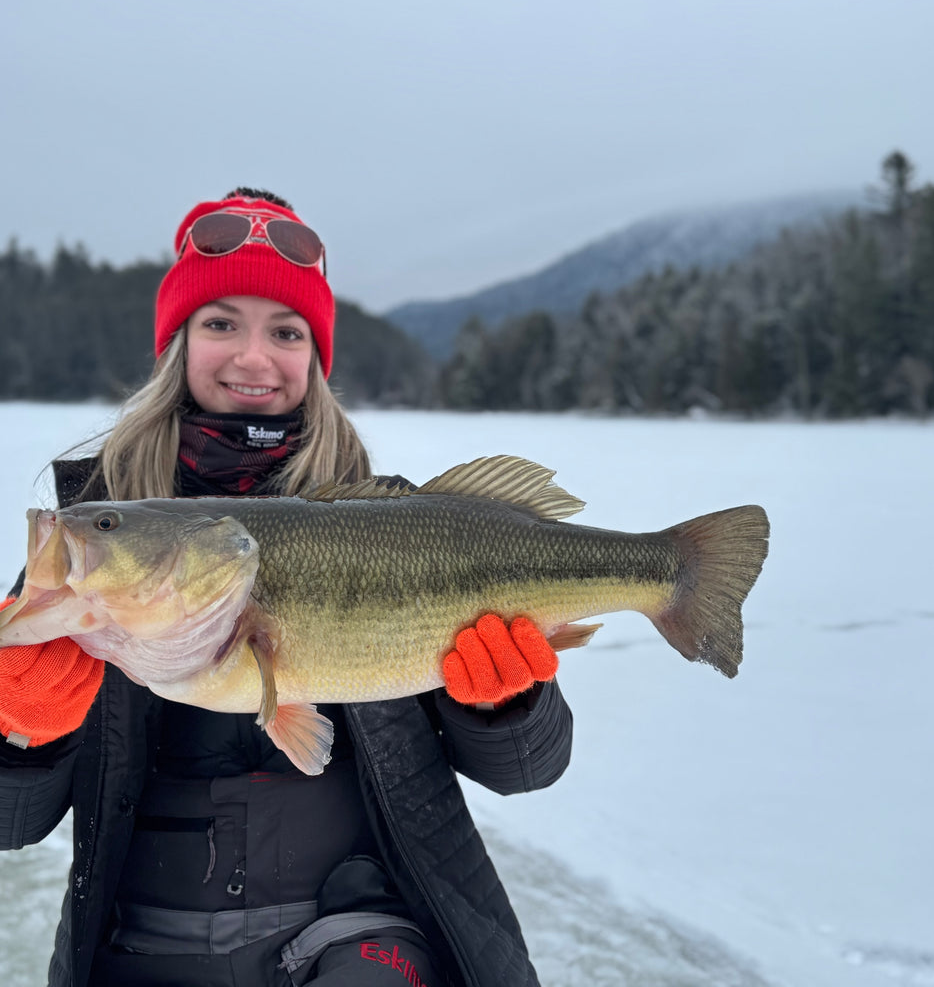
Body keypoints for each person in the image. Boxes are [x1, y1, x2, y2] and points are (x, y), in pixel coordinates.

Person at [0, 188, 573, 987]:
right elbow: (10, 825)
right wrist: (23, 733)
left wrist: (506, 702)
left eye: (286, 330)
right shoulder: (89, 555)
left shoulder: (401, 525)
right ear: (177, 344)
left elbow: (528, 769)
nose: (252, 357)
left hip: (366, 930)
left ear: (315, 356)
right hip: (140, 945)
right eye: (220, 323)